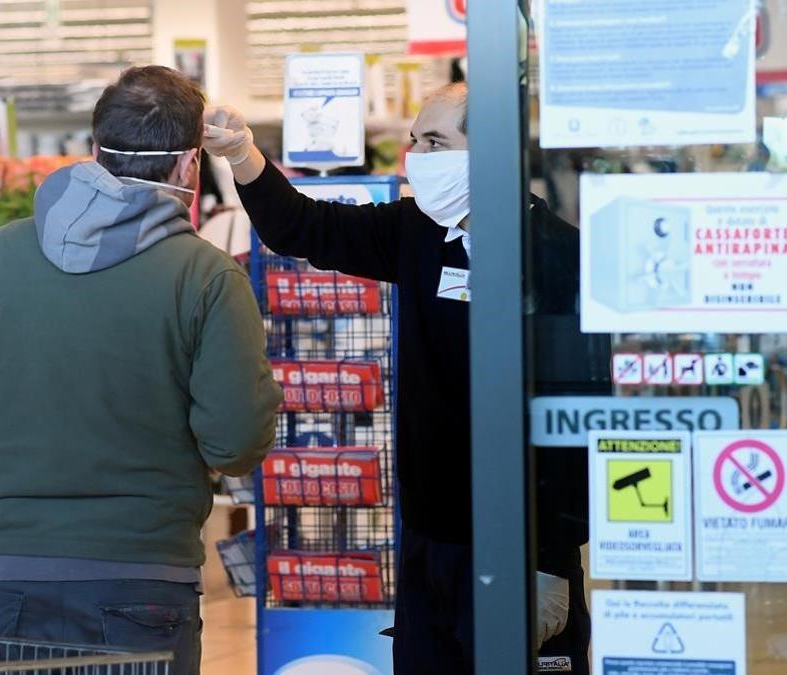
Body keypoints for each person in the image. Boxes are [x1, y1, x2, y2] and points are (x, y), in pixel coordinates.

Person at [203, 82, 595, 674]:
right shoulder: (418, 230)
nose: (417, 156)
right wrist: (242, 156)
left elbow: (575, 417)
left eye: (435, 141)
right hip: (428, 537)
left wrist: (552, 557)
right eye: (415, 141)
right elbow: (305, 228)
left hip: (522, 543)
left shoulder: (561, 257)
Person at [0, 65, 283, 672]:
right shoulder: (207, 276)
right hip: (142, 576)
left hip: (7, 574)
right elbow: (235, 441)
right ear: (190, 166)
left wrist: (34, 429)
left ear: (92, 151)